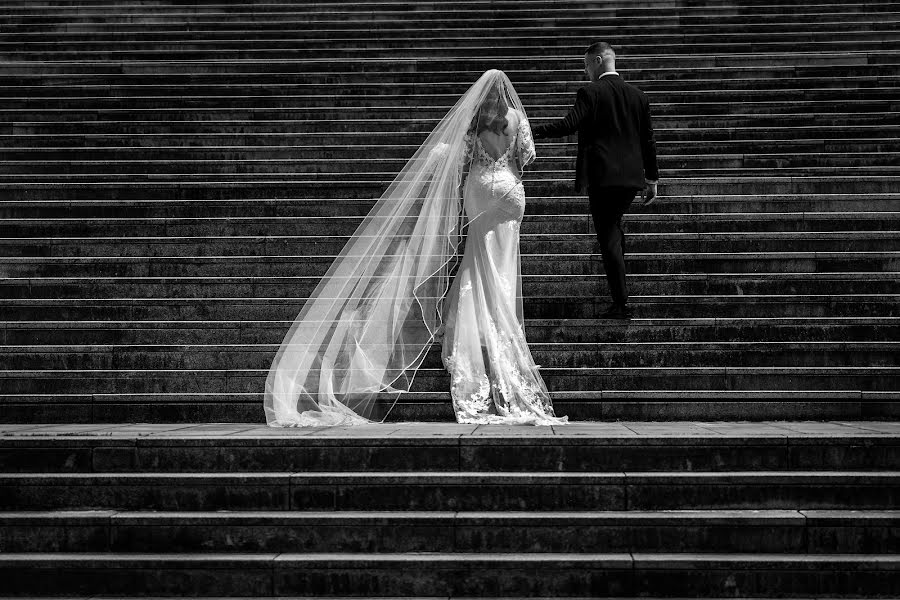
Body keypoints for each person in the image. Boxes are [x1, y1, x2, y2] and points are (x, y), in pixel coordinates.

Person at [263, 70, 568, 427]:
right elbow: (526, 156)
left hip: (481, 188)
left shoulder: (475, 121)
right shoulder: (515, 119)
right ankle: (502, 323)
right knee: (503, 261)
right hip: (511, 191)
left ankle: (475, 325)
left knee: (476, 258)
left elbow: (460, 156)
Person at [532, 42, 660, 320]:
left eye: (587, 64)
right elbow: (648, 140)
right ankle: (620, 293)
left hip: (603, 178)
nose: (585, 71)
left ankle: (621, 303)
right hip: (631, 178)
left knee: (608, 235)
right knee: (613, 228)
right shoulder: (639, 96)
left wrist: (531, 131)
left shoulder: (590, 92)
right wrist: (652, 178)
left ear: (599, 61)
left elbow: (569, 124)